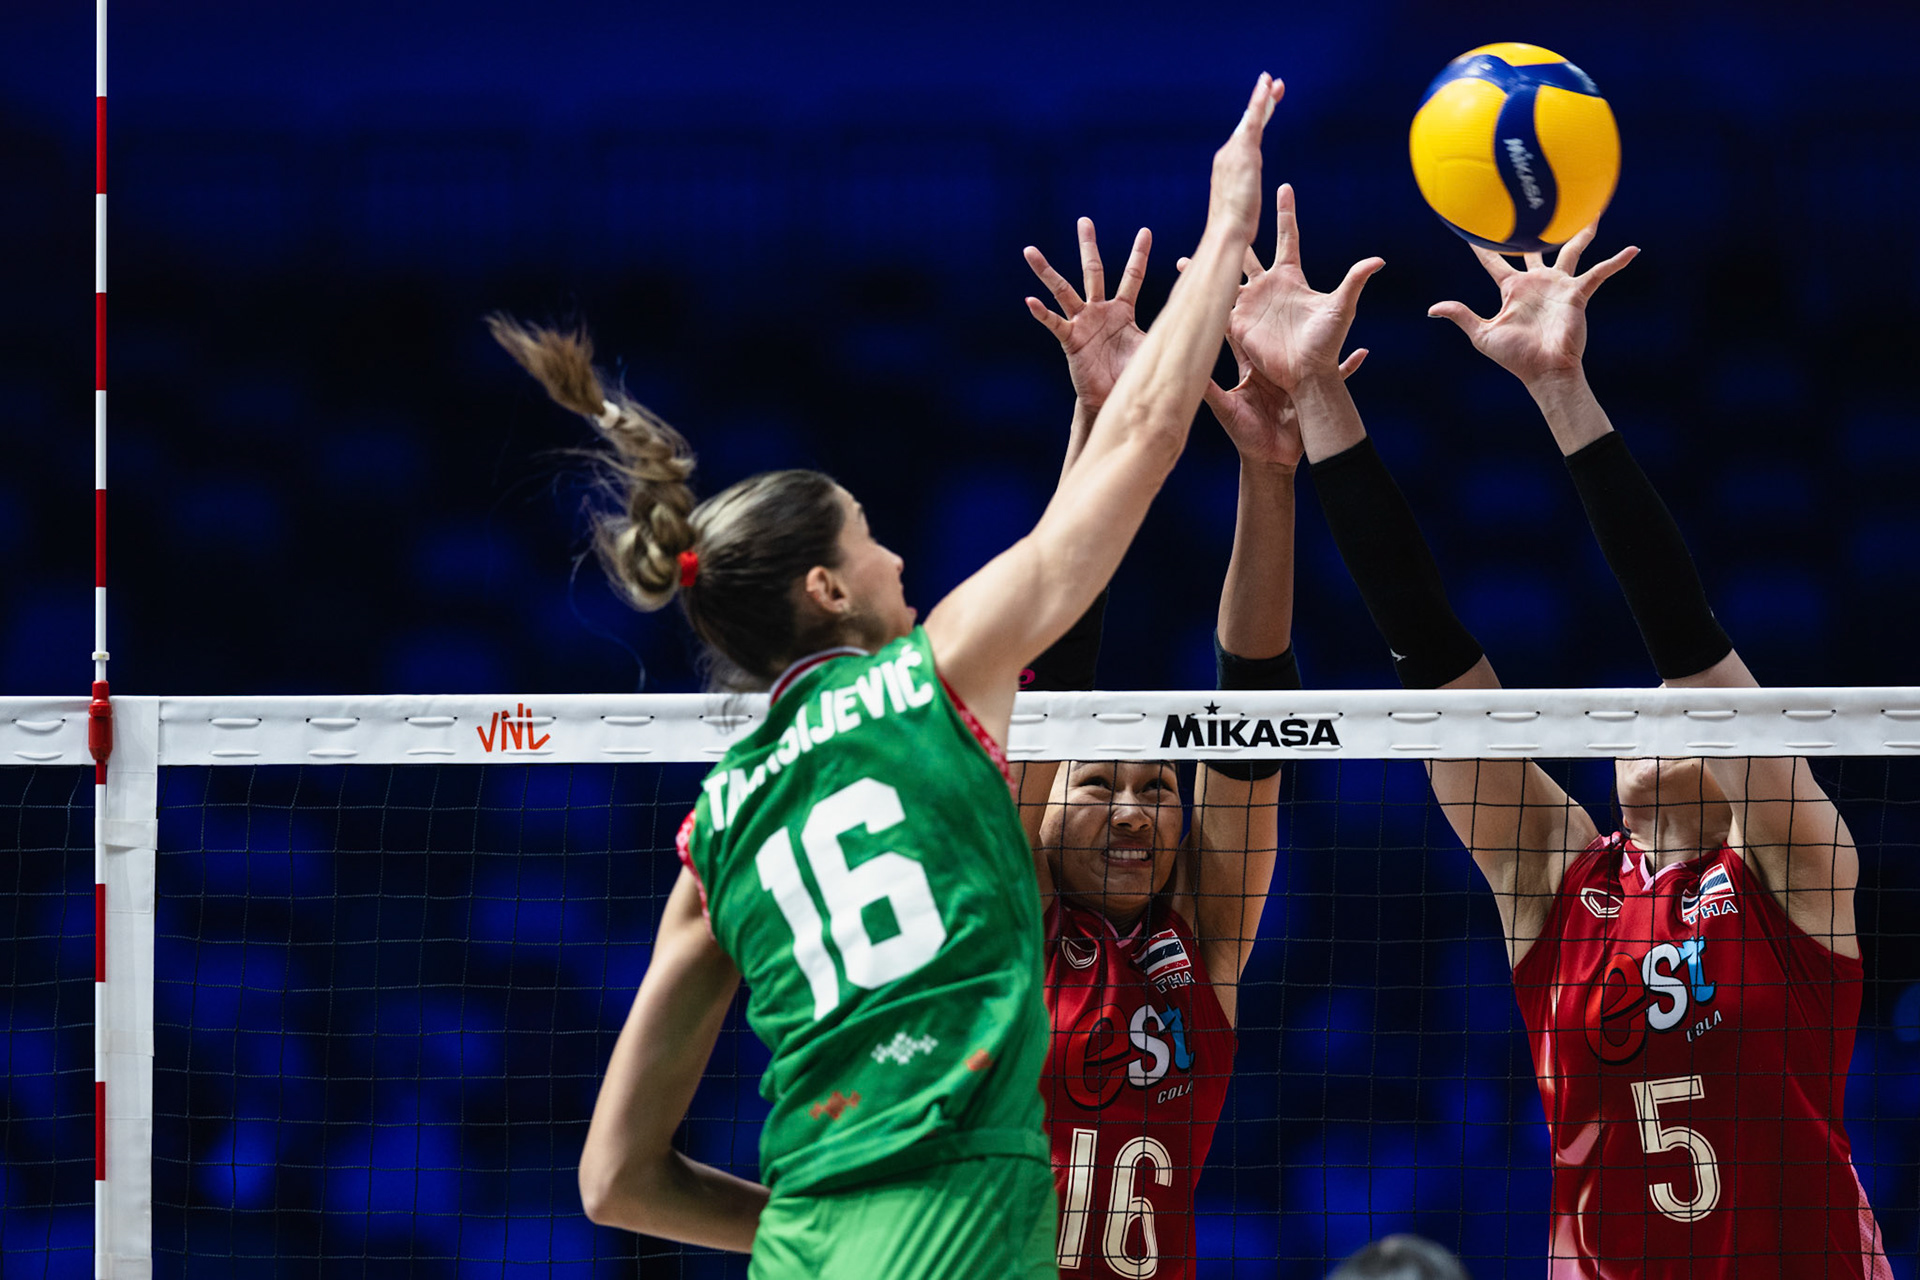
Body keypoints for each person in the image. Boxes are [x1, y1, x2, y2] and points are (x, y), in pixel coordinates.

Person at [491, 74, 1288, 1280]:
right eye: (870, 535)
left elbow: (613, 1179)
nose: (900, 555)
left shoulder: (717, 830)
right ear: (826, 588)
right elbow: (1144, 447)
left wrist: (825, 1232)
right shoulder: (927, 687)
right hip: (960, 1238)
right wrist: (1223, 234)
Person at [1220, 190, 1891, 1276]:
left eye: (1687, 700)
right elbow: (1428, 652)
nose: (1657, 699)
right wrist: (1316, 395)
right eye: (1643, 697)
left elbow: (1683, 627)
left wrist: (1562, 389)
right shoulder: (1557, 882)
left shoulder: (1797, 871)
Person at [1012, 209, 1368, 1278]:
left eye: (1160, 788)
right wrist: (1104, 424)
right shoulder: (1007, 924)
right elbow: (1049, 662)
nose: (1134, 808)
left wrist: (1270, 474)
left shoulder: (1202, 944)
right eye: (1102, 782)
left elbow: (1250, 714)